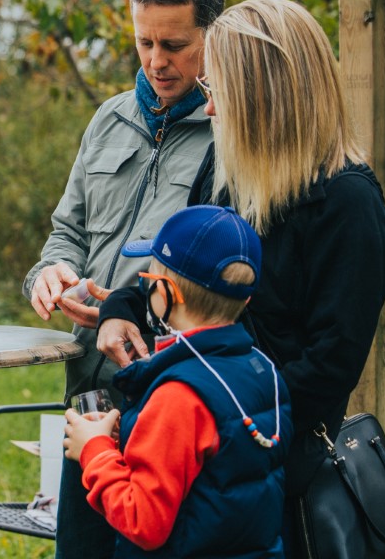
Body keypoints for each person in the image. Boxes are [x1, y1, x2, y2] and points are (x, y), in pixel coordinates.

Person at [93, 0, 385, 558]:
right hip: (196, 451)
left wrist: (214, 422)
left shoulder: (348, 207)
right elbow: (176, 271)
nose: (208, 112)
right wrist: (120, 309)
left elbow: (329, 368)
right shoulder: (226, 172)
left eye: (216, 94)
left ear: (266, 100)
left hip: (273, 470)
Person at [22, 0, 224, 556]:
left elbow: (228, 278)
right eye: (144, 42)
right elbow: (67, 232)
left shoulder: (231, 131)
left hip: (170, 399)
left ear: (213, 37)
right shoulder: (108, 118)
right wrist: (48, 273)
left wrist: (133, 309)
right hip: (86, 394)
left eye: (175, 45)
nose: (157, 62)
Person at [64, 204, 292, 557]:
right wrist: (131, 433)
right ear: (246, 298)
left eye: (149, 281)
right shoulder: (262, 369)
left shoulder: (180, 394)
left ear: (167, 293)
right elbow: (217, 468)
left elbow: (144, 521)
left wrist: (94, 451)